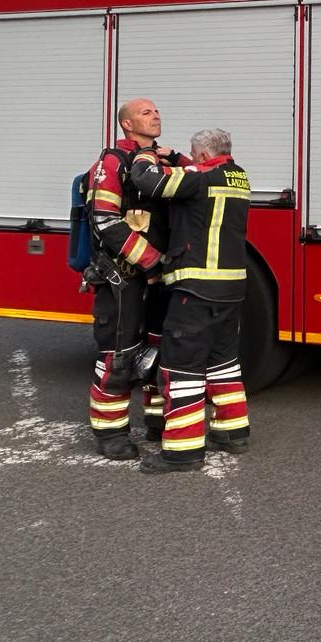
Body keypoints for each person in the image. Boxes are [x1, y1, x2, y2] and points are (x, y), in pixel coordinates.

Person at [129, 127, 253, 474]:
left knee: (180, 369)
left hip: (196, 289)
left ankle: (182, 452)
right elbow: (198, 172)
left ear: (201, 156)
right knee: (223, 365)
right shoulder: (237, 176)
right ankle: (233, 433)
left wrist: (147, 154)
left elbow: (148, 182)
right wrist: (179, 159)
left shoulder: (198, 179)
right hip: (230, 291)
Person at [85, 98, 180, 460]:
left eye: (157, 110)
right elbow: (105, 220)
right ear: (126, 124)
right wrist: (152, 263)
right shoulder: (112, 163)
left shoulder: (162, 161)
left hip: (162, 277)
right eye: (146, 112)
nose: (156, 115)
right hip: (123, 279)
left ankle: (157, 423)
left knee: (159, 353)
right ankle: (110, 433)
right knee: (119, 357)